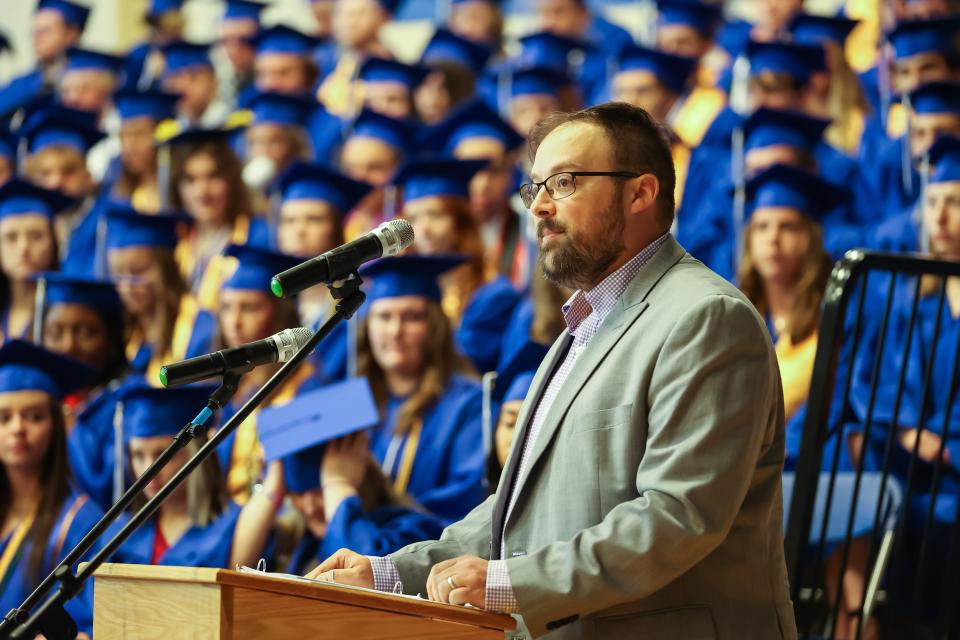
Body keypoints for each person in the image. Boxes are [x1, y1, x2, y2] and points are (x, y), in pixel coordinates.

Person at [313, 103, 794, 639]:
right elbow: (521, 507)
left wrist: (509, 583)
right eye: (534, 188)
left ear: (640, 192)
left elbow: (678, 516)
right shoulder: (581, 325)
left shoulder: (705, 317)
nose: (539, 207)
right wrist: (388, 575)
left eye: (563, 183)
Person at [354, 255, 486, 525]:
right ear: (367, 326)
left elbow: (463, 508)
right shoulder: (353, 402)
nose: (395, 331)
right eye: (383, 316)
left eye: (412, 317)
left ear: (434, 326)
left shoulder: (468, 405)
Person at [259, 392, 445, 574]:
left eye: (319, 491)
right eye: (297, 494)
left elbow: (366, 575)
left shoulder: (413, 530)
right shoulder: (299, 540)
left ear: (359, 478)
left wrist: (337, 484)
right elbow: (235, 562)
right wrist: (272, 487)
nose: (309, 508)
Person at [107, 383, 275, 569]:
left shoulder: (233, 527)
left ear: (196, 454)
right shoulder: (122, 533)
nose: (148, 470)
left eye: (163, 455)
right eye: (138, 455)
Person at [0, 340, 102, 637]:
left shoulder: (81, 522)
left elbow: (92, 622)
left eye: (34, 416)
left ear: (56, 426)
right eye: (4, 418)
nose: (18, 428)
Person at [737, 164, 843, 422]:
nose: (773, 238)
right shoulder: (735, 311)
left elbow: (835, 403)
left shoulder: (836, 314)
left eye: (788, 227)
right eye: (762, 227)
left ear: (810, 237)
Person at [213, 244, 315, 503]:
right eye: (226, 307)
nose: (234, 322)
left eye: (249, 308)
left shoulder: (308, 389)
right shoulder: (234, 388)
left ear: (281, 314)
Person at [274, 161, 372, 381]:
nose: (299, 231)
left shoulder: (358, 305)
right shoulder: (273, 304)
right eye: (289, 221)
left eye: (314, 219)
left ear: (337, 229)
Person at [419, 99, 531, 287]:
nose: (481, 184)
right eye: (470, 171)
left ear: (510, 174)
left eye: (494, 170)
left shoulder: (529, 236)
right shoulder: (435, 240)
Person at [162, 127, 269, 311]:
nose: (202, 191)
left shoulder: (258, 238)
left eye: (213, 177)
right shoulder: (174, 242)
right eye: (190, 180)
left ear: (231, 182)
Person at [104, 202, 214, 380]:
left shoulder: (201, 330)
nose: (127, 285)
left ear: (166, 269)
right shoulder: (126, 333)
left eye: (139, 270)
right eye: (118, 273)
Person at [392, 158, 488, 323]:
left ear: (460, 222)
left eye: (436, 214)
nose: (423, 229)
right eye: (413, 218)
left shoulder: (490, 297)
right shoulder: (403, 296)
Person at [18, 105, 107, 277]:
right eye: (45, 173)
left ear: (88, 175)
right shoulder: (35, 227)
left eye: (68, 171)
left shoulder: (106, 223)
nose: (56, 182)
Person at [0, 179, 72, 344]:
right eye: (11, 237)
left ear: (54, 243)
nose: (23, 248)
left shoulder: (68, 312)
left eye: (36, 236)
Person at [339, 108, 416, 239]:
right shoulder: (346, 221)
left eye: (375, 167)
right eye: (353, 167)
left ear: (399, 168)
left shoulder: (412, 221)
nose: (359, 177)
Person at [160, 41, 228, 128]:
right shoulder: (172, 130)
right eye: (175, 78)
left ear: (214, 83)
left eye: (193, 77)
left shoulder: (230, 125)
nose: (182, 86)